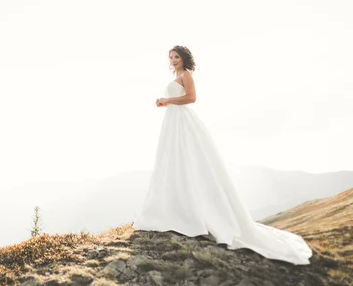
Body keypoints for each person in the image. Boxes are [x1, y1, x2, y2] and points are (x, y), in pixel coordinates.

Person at [132, 45, 313, 265]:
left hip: (182, 121)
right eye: (170, 57)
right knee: (172, 163)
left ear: (184, 58)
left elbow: (191, 97)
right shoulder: (178, 75)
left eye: (176, 56)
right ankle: (173, 209)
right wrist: (165, 102)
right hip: (173, 121)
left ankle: (193, 214)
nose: (173, 60)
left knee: (187, 162)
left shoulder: (186, 75)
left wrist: (167, 100)